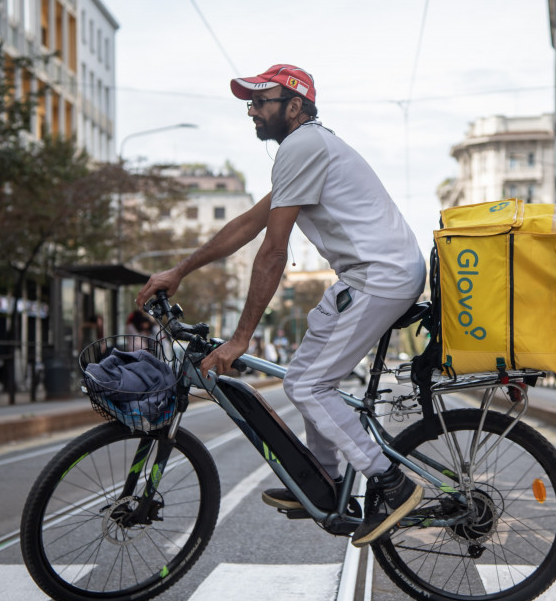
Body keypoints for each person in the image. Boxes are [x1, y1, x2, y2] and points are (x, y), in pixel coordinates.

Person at [137, 64, 427, 547]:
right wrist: (179, 271)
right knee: (301, 380)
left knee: (312, 387)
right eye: (249, 103)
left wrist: (240, 338)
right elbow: (246, 225)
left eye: (260, 102)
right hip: (365, 277)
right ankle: (325, 479)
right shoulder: (305, 152)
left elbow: (272, 251)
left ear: (295, 107)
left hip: (383, 277)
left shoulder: (304, 145)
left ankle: (391, 485)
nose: (251, 111)